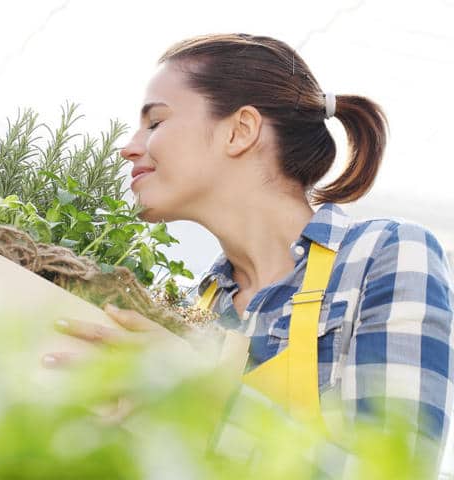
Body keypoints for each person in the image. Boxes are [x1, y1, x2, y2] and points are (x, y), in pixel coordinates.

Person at [43, 33, 454, 474]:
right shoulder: (193, 310)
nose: (129, 145)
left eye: (156, 122)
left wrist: (196, 392)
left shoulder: (382, 256)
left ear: (240, 131)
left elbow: (394, 469)